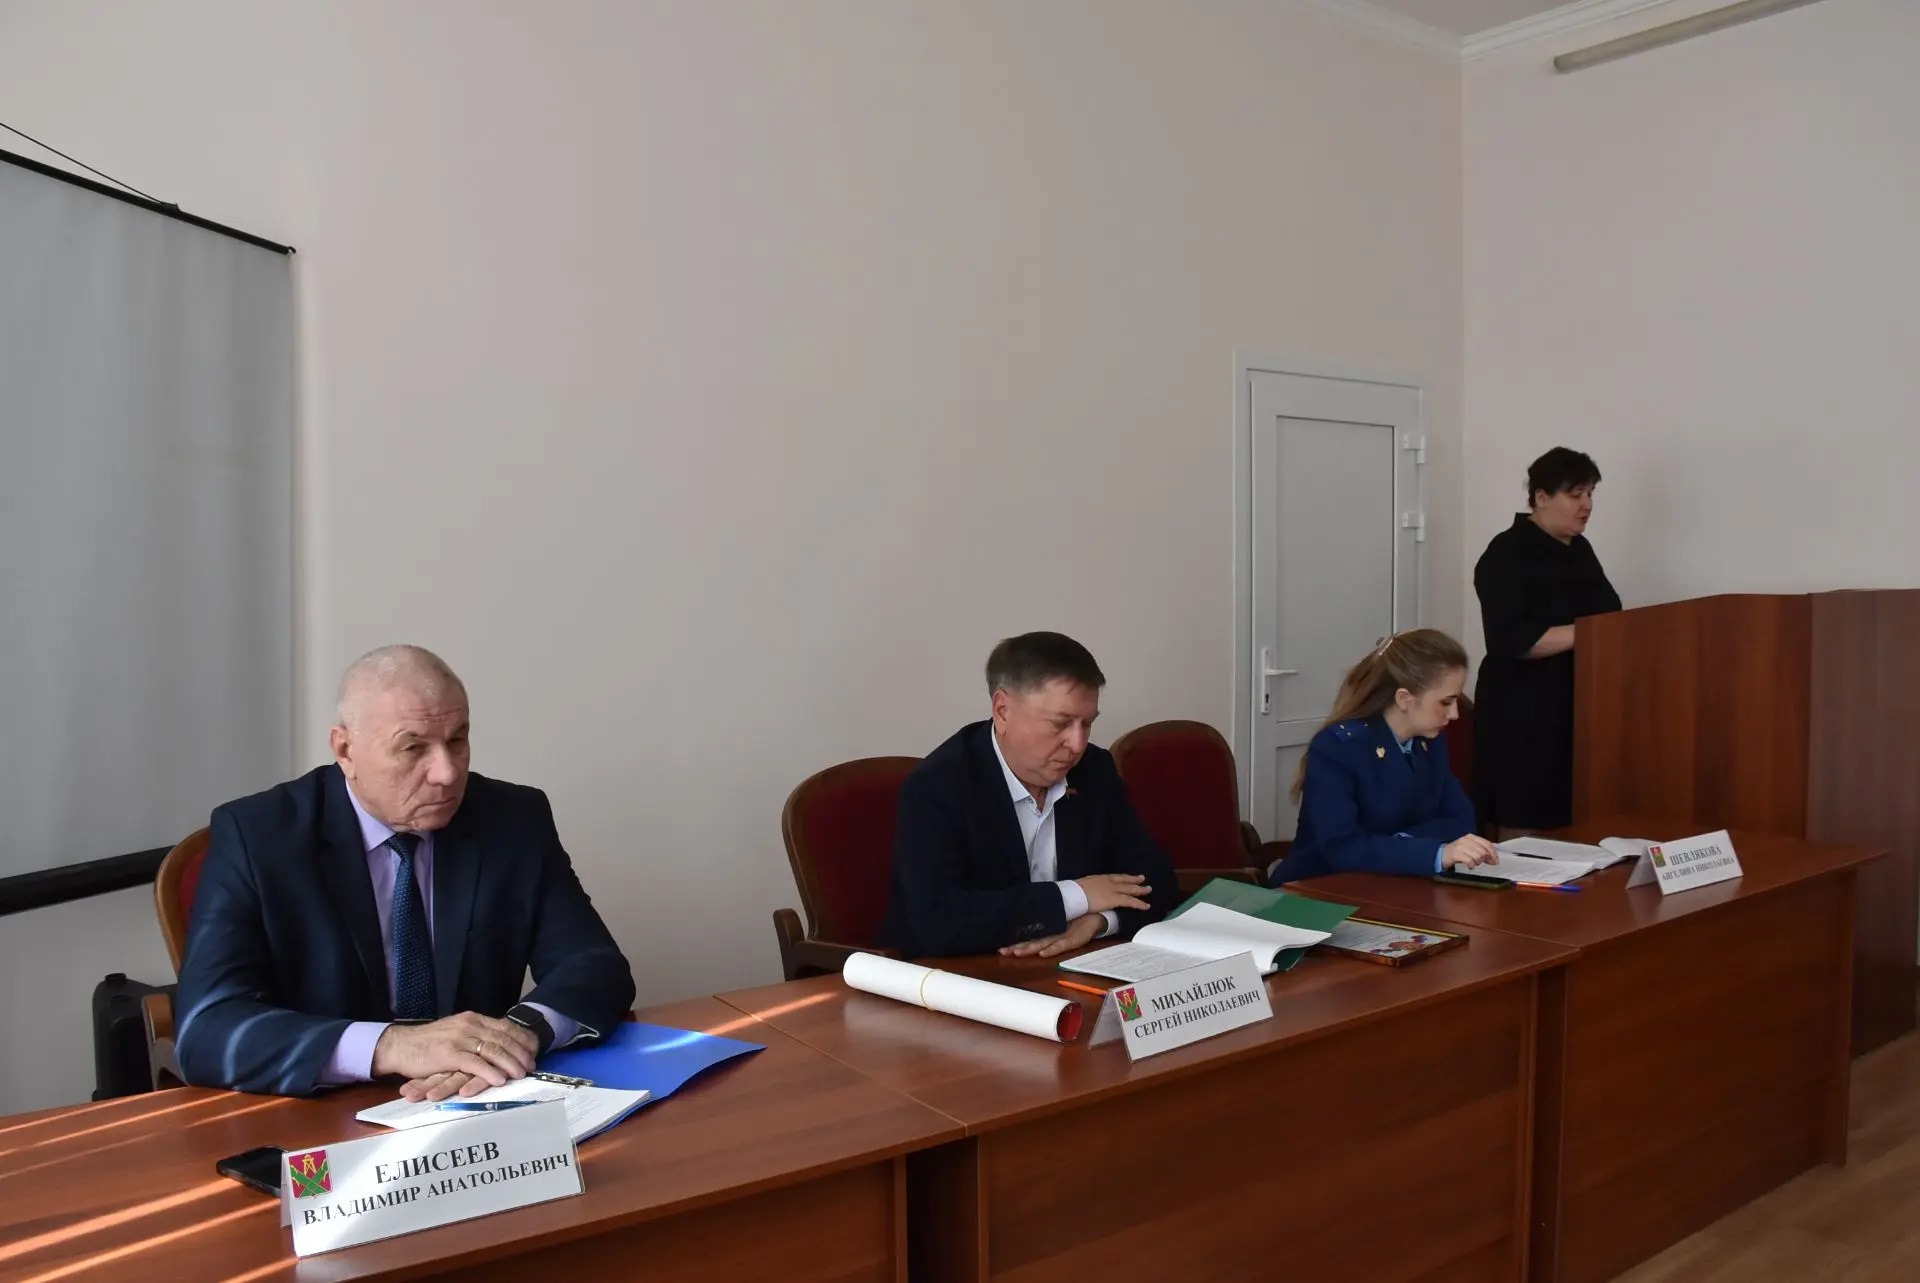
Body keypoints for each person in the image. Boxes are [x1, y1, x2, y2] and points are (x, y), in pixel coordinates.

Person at [175, 645, 635, 1099]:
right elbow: (206, 1029)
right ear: (345, 750)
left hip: (474, 1098)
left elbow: (594, 966)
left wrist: (517, 1034)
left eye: (457, 740)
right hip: (320, 1109)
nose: (447, 773)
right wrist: (392, 1046)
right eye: (413, 747)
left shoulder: (512, 819)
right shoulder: (258, 837)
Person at [881, 631, 1179, 959]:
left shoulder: (1094, 769)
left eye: (1087, 724)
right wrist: (1077, 897)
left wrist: (1098, 920)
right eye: (1060, 724)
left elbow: (1155, 880)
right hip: (964, 974)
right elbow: (936, 921)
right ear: (1003, 711)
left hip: (1067, 966)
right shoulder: (938, 786)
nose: (1077, 744)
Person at [1267, 629, 1497, 883]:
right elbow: (1341, 847)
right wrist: (1436, 852)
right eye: (1445, 702)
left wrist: (1398, 844)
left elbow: (1462, 819)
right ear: (1404, 699)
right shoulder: (1338, 747)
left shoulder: (1430, 742)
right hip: (1320, 886)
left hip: (1396, 883)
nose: (1454, 714)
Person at [1472, 447, 1622, 835]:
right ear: (1541, 497)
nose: (1587, 505)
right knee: (1527, 822)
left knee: (1578, 818)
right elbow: (1513, 640)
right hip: (1524, 714)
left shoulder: (1580, 550)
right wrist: (1592, 633)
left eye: (1590, 494)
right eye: (1575, 495)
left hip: (1581, 708)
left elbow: (1611, 614)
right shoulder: (1506, 553)